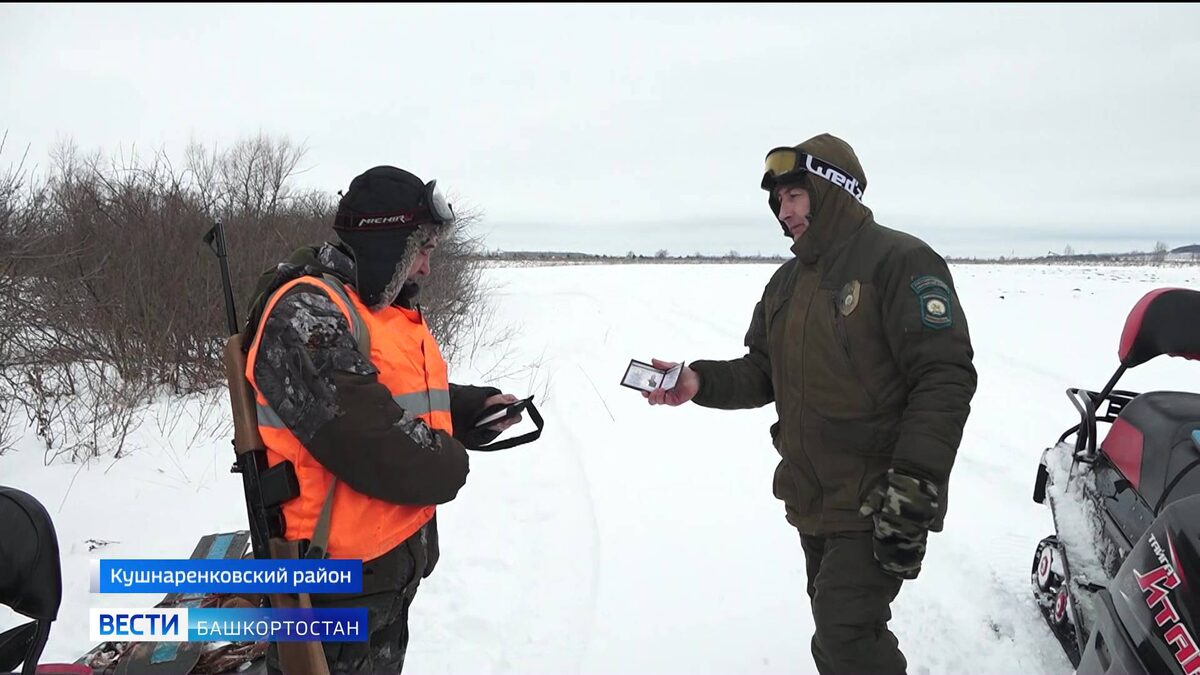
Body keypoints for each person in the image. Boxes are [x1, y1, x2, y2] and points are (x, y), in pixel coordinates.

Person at [644, 133, 977, 674]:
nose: (784, 211)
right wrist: (699, 381)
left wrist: (914, 486)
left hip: (877, 497)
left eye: (795, 195)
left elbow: (944, 377)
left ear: (833, 189)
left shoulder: (901, 260)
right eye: (778, 201)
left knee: (846, 640)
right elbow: (762, 372)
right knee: (837, 631)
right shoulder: (785, 284)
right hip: (812, 497)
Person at [242, 165, 522, 674]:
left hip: (387, 574)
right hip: (329, 589)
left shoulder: (375, 308)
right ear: (386, 243)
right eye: (422, 250)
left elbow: (384, 396)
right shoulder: (305, 313)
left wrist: (463, 410)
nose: (426, 269)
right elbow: (368, 440)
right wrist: (450, 462)